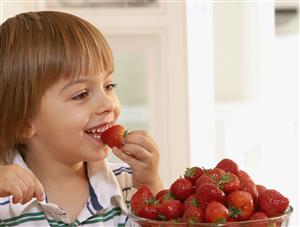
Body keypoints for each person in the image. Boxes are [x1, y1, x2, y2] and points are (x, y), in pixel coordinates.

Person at [0, 11, 163, 226]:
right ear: (23, 124)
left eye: (109, 86)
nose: (107, 105)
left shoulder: (126, 181)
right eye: (81, 94)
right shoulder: (4, 196)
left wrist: (151, 185)